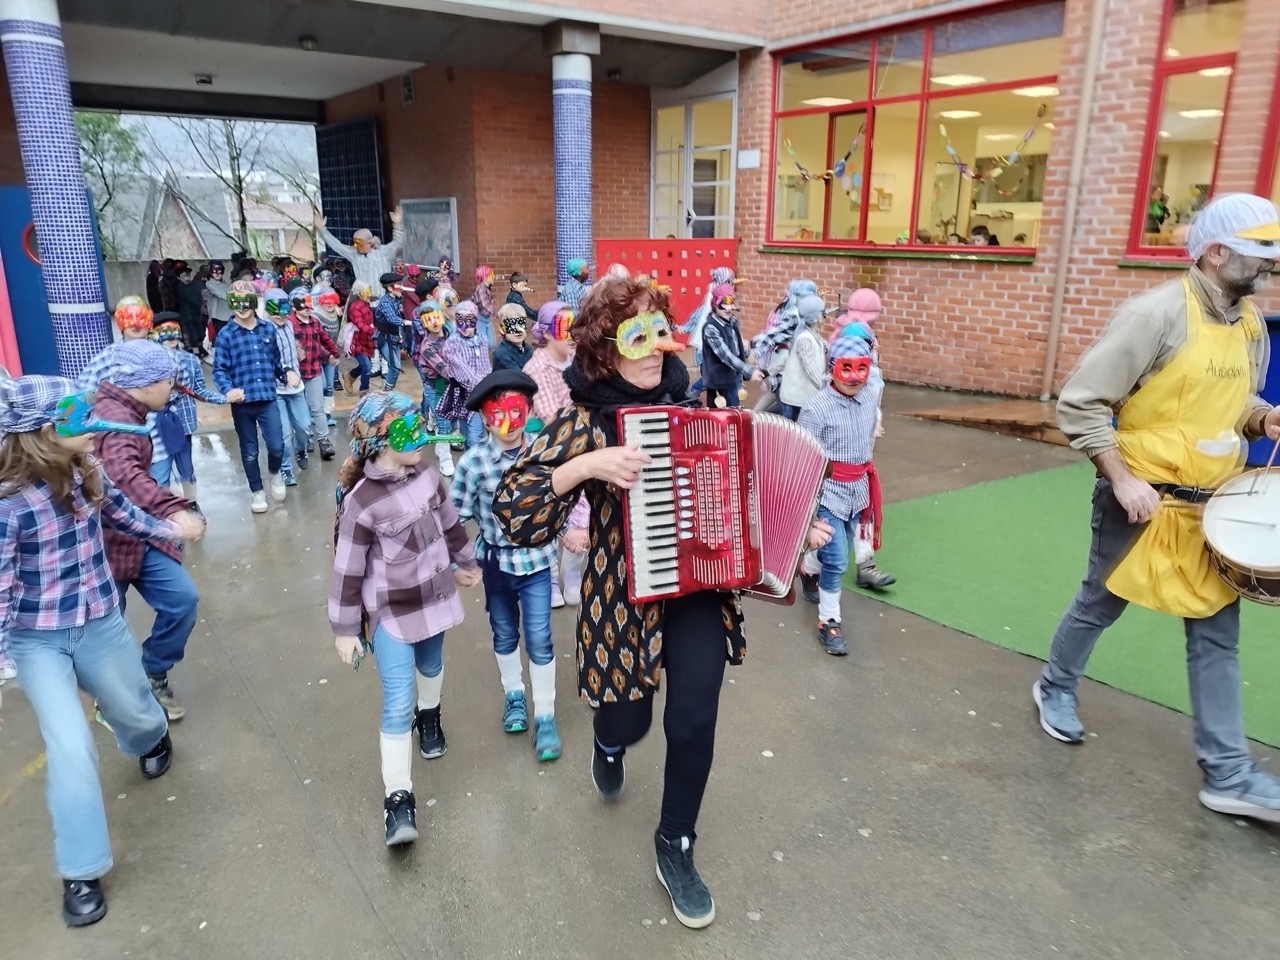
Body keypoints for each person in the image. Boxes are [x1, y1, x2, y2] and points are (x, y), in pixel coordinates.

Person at [494, 273, 832, 929]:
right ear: (604, 348)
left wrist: (795, 528)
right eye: (635, 336)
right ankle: (608, 741)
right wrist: (586, 466)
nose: (654, 349)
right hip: (622, 597)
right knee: (630, 722)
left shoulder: (695, 405)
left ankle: (675, 842)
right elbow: (515, 509)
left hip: (699, 588)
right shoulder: (583, 421)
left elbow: (743, 491)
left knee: (694, 720)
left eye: (660, 332)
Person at [1040, 193, 1280, 823]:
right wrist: (1122, 481)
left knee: (1216, 630)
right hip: (1143, 499)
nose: (1272, 263)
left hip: (1215, 505)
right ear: (1216, 252)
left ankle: (1228, 773)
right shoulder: (1154, 314)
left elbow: (1237, 403)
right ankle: (1054, 686)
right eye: (1261, 251)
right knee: (1101, 602)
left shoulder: (1251, 323)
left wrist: (1264, 419)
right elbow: (1081, 403)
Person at [0, 374, 203, 926]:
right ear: (43, 431)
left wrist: (170, 528)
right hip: (37, 639)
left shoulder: (88, 469)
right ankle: (81, 868)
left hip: (99, 621)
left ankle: (149, 735)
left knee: (134, 709)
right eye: (78, 417)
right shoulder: (10, 506)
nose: (94, 425)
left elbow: (124, 514)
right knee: (69, 745)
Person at [330, 391, 481, 846]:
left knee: (431, 666)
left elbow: (452, 525)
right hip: (391, 612)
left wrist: (466, 562)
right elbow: (347, 569)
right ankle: (398, 798)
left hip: (433, 599)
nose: (420, 435)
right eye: (407, 429)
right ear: (379, 441)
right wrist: (345, 628)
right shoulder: (361, 501)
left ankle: (429, 716)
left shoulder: (429, 476)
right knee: (397, 700)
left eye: (419, 425)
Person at [451, 370, 562, 759]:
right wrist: (456, 562)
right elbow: (454, 518)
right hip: (496, 565)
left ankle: (545, 716)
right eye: (498, 414)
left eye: (517, 411)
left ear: (528, 410)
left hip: (537, 561)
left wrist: (572, 530)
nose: (509, 423)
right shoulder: (474, 463)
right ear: (485, 417)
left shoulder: (545, 454)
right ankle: (514, 694)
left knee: (540, 636)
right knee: (504, 633)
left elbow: (562, 499)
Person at [95, 340, 207, 720]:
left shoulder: (126, 409)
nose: (173, 388)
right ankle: (114, 697)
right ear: (144, 384)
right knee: (108, 631)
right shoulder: (116, 422)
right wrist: (172, 509)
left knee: (182, 601)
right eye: (168, 381)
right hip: (103, 546)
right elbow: (123, 477)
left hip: (139, 536)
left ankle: (152, 671)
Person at [796, 335, 893, 655]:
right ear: (832, 368)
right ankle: (829, 620)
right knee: (837, 558)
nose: (853, 377)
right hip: (828, 491)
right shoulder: (816, 408)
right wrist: (809, 510)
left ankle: (809, 567)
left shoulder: (870, 396)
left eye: (861, 368)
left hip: (859, 488)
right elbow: (804, 460)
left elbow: (875, 381)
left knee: (838, 548)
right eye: (845, 368)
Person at [523, 300, 589, 607]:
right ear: (547, 333)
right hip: (549, 449)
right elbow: (552, 418)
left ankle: (572, 574)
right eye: (564, 328)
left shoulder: (578, 359)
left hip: (581, 441)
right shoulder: (536, 368)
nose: (572, 335)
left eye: (575, 327)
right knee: (549, 511)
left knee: (583, 509)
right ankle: (549, 579)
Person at [212, 280, 295, 514]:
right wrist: (228, 390)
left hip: (267, 398)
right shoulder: (226, 334)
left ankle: (275, 473)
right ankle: (257, 491)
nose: (241, 307)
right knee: (249, 451)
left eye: (246, 301)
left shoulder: (268, 329)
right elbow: (219, 369)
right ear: (230, 303)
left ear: (254, 301)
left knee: (277, 446)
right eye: (235, 302)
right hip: (242, 403)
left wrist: (286, 374)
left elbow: (275, 362)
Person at [150, 319, 226, 503]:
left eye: (174, 331)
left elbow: (199, 390)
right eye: (164, 331)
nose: (171, 337)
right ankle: (165, 506)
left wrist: (225, 399)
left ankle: (191, 502)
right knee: (160, 466)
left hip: (182, 420)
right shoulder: (148, 360)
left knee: (186, 466)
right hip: (155, 422)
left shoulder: (190, 360)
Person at [263, 289, 311, 487]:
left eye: (284, 308)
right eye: (274, 309)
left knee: (304, 426)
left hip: (296, 387)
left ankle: (301, 449)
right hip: (276, 389)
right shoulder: (264, 329)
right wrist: (285, 372)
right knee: (283, 433)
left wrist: (298, 349)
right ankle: (285, 468)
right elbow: (266, 358)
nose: (280, 314)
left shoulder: (290, 324)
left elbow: (292, 344)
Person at [289, 287, 339, 462]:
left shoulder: (315, 322)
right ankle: (304, 439)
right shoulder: (289, 324)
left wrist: (333, 354)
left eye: (309, 306)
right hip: (295, 374)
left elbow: (323, 340)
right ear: (294, 308)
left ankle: (324, 441)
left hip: (314, 370)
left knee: (317, 408)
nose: (307, 309)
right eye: (302, 306)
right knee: (300, 410)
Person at [314, 207, 406, 295]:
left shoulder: (383, 252)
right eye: (354, 242)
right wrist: (323, 230)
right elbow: (338, 246)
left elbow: (398, 242)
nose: (356, 246)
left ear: (369, 242)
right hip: (364, 300)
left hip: (382, 299)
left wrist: (397, 224)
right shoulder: (354, 254)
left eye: (359, 243)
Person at [699, 283, 762, 408]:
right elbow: (726, 355)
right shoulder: (710, 327)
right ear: (716, 304)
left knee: (735, 412)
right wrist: (749, 371)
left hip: (733, 378)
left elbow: (737, 345)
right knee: (721, 417)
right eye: (724, 304)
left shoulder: (733, 321)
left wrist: (750, 354)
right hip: (719, 384)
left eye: (731, 303)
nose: (729, 308)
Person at [438, 301, 491, 450]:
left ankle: (474, 459)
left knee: (475, 436)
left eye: (470, 321)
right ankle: (470, 460)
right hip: (464, 395)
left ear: (476, 320)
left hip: (481, 395)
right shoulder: (452, 344)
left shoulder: (482, 340)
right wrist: (482, 385)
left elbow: (486, 365)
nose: (464, 326)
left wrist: (488, 386)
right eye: (460, 321)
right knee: (467, 434)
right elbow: (461, 369)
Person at [412, 300, 456, 477]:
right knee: (444, 423)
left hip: (452, 385)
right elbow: (445, 370)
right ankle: (445, 457)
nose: (434, 323)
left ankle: (432, 415)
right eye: (428, 319)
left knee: (452, 419)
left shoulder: (451, 334)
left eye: (436, 317)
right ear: (423, 323)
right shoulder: (427, 347)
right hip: (436, 386)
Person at [777, 292, 828, 420]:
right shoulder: (805, 339)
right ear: (816, 317)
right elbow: (810, 368)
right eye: (824, 314)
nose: (825, 317)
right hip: (795, 400)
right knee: (793, 431)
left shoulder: (815, 336)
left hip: (803, 397)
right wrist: (826, 389)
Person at [374, 272, 409, 391]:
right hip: (384, 338)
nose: (402, 288)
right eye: (399, 285)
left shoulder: (395, 300)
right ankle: (386, 392)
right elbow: (392, 319)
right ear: (390, 288)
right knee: (395, 367)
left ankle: (387, 389)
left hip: (394, 338)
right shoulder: (385, 302)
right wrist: (409, 322)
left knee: (394, 368)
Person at [341, 281, 377, 394]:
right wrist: (373, 331)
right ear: (359, 294)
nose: (369, 295)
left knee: (365, 365)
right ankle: (364, 390)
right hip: (357, 339)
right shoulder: (356, 307)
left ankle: (350, 376)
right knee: (367, 367)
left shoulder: (366, 304)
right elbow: (360, 324)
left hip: (366, 338)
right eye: (366, 292)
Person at [175, 263, 206, 358]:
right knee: (193, 335)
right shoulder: (180, 288)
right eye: (184, 276)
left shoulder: (194, 285)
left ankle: (199, 348)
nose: (187, 278)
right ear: (179, 278)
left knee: (201, 333)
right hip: (187, 315)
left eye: (188, 275)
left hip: (196, 314)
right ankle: (196, 352)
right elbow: (193, 299)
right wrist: (200, 303)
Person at [493, 304, 533, 371]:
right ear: (502, 330)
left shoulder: (528, 349)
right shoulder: (501, 354)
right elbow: (520, 375)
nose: (518, 330)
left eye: (521, 324)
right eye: (512, 326)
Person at [204, 261, 231, 347]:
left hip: (229, 314)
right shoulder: (209, 284)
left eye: (220, 271)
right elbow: (221, 294)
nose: (217, 274)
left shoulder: (225, 283)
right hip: (218, 316)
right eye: (214, 271)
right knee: (219, 337)